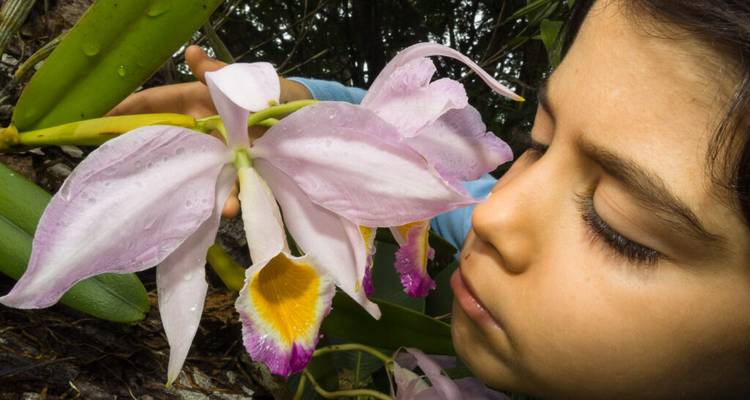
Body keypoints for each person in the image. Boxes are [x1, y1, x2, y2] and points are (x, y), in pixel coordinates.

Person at [110, 0, 750, 397]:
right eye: (536, 141)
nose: (494, 214)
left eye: (617, 227)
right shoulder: (482, 205)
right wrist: (302, 104)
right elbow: (456, 187)